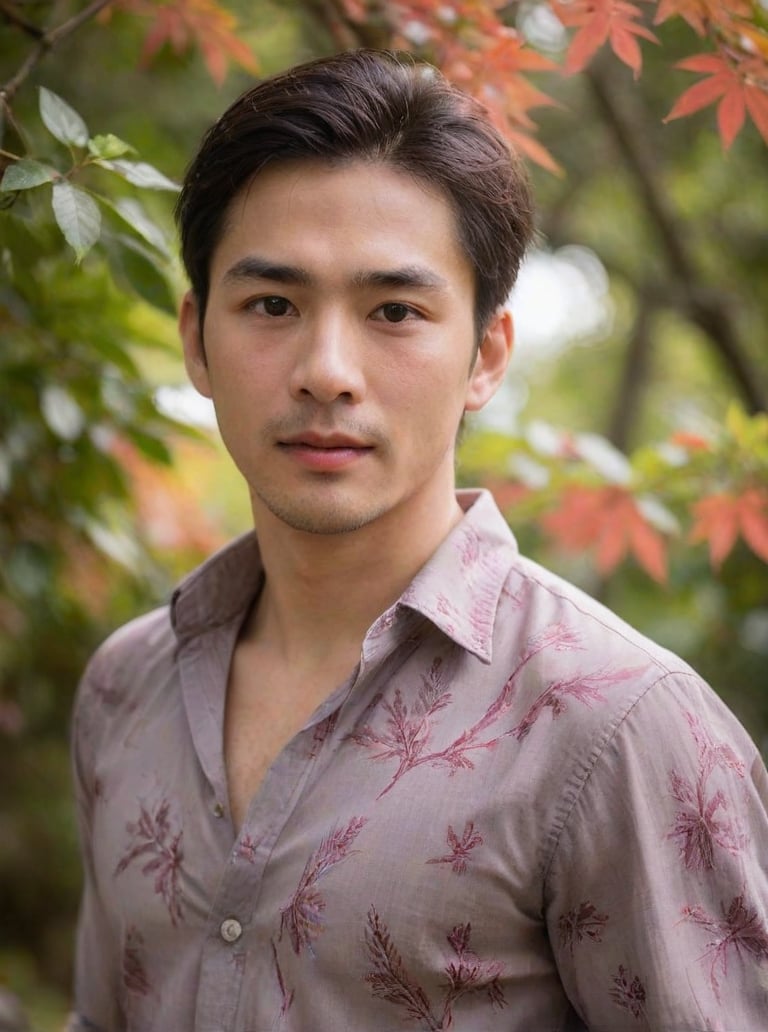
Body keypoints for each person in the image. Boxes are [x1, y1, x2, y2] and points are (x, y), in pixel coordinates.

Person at [69, 49, 768, 1031]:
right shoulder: (123, 687)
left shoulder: (616, 731)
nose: (326, 371)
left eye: (394, 311)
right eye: (273, 305)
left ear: (485, 355)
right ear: (195, 339)